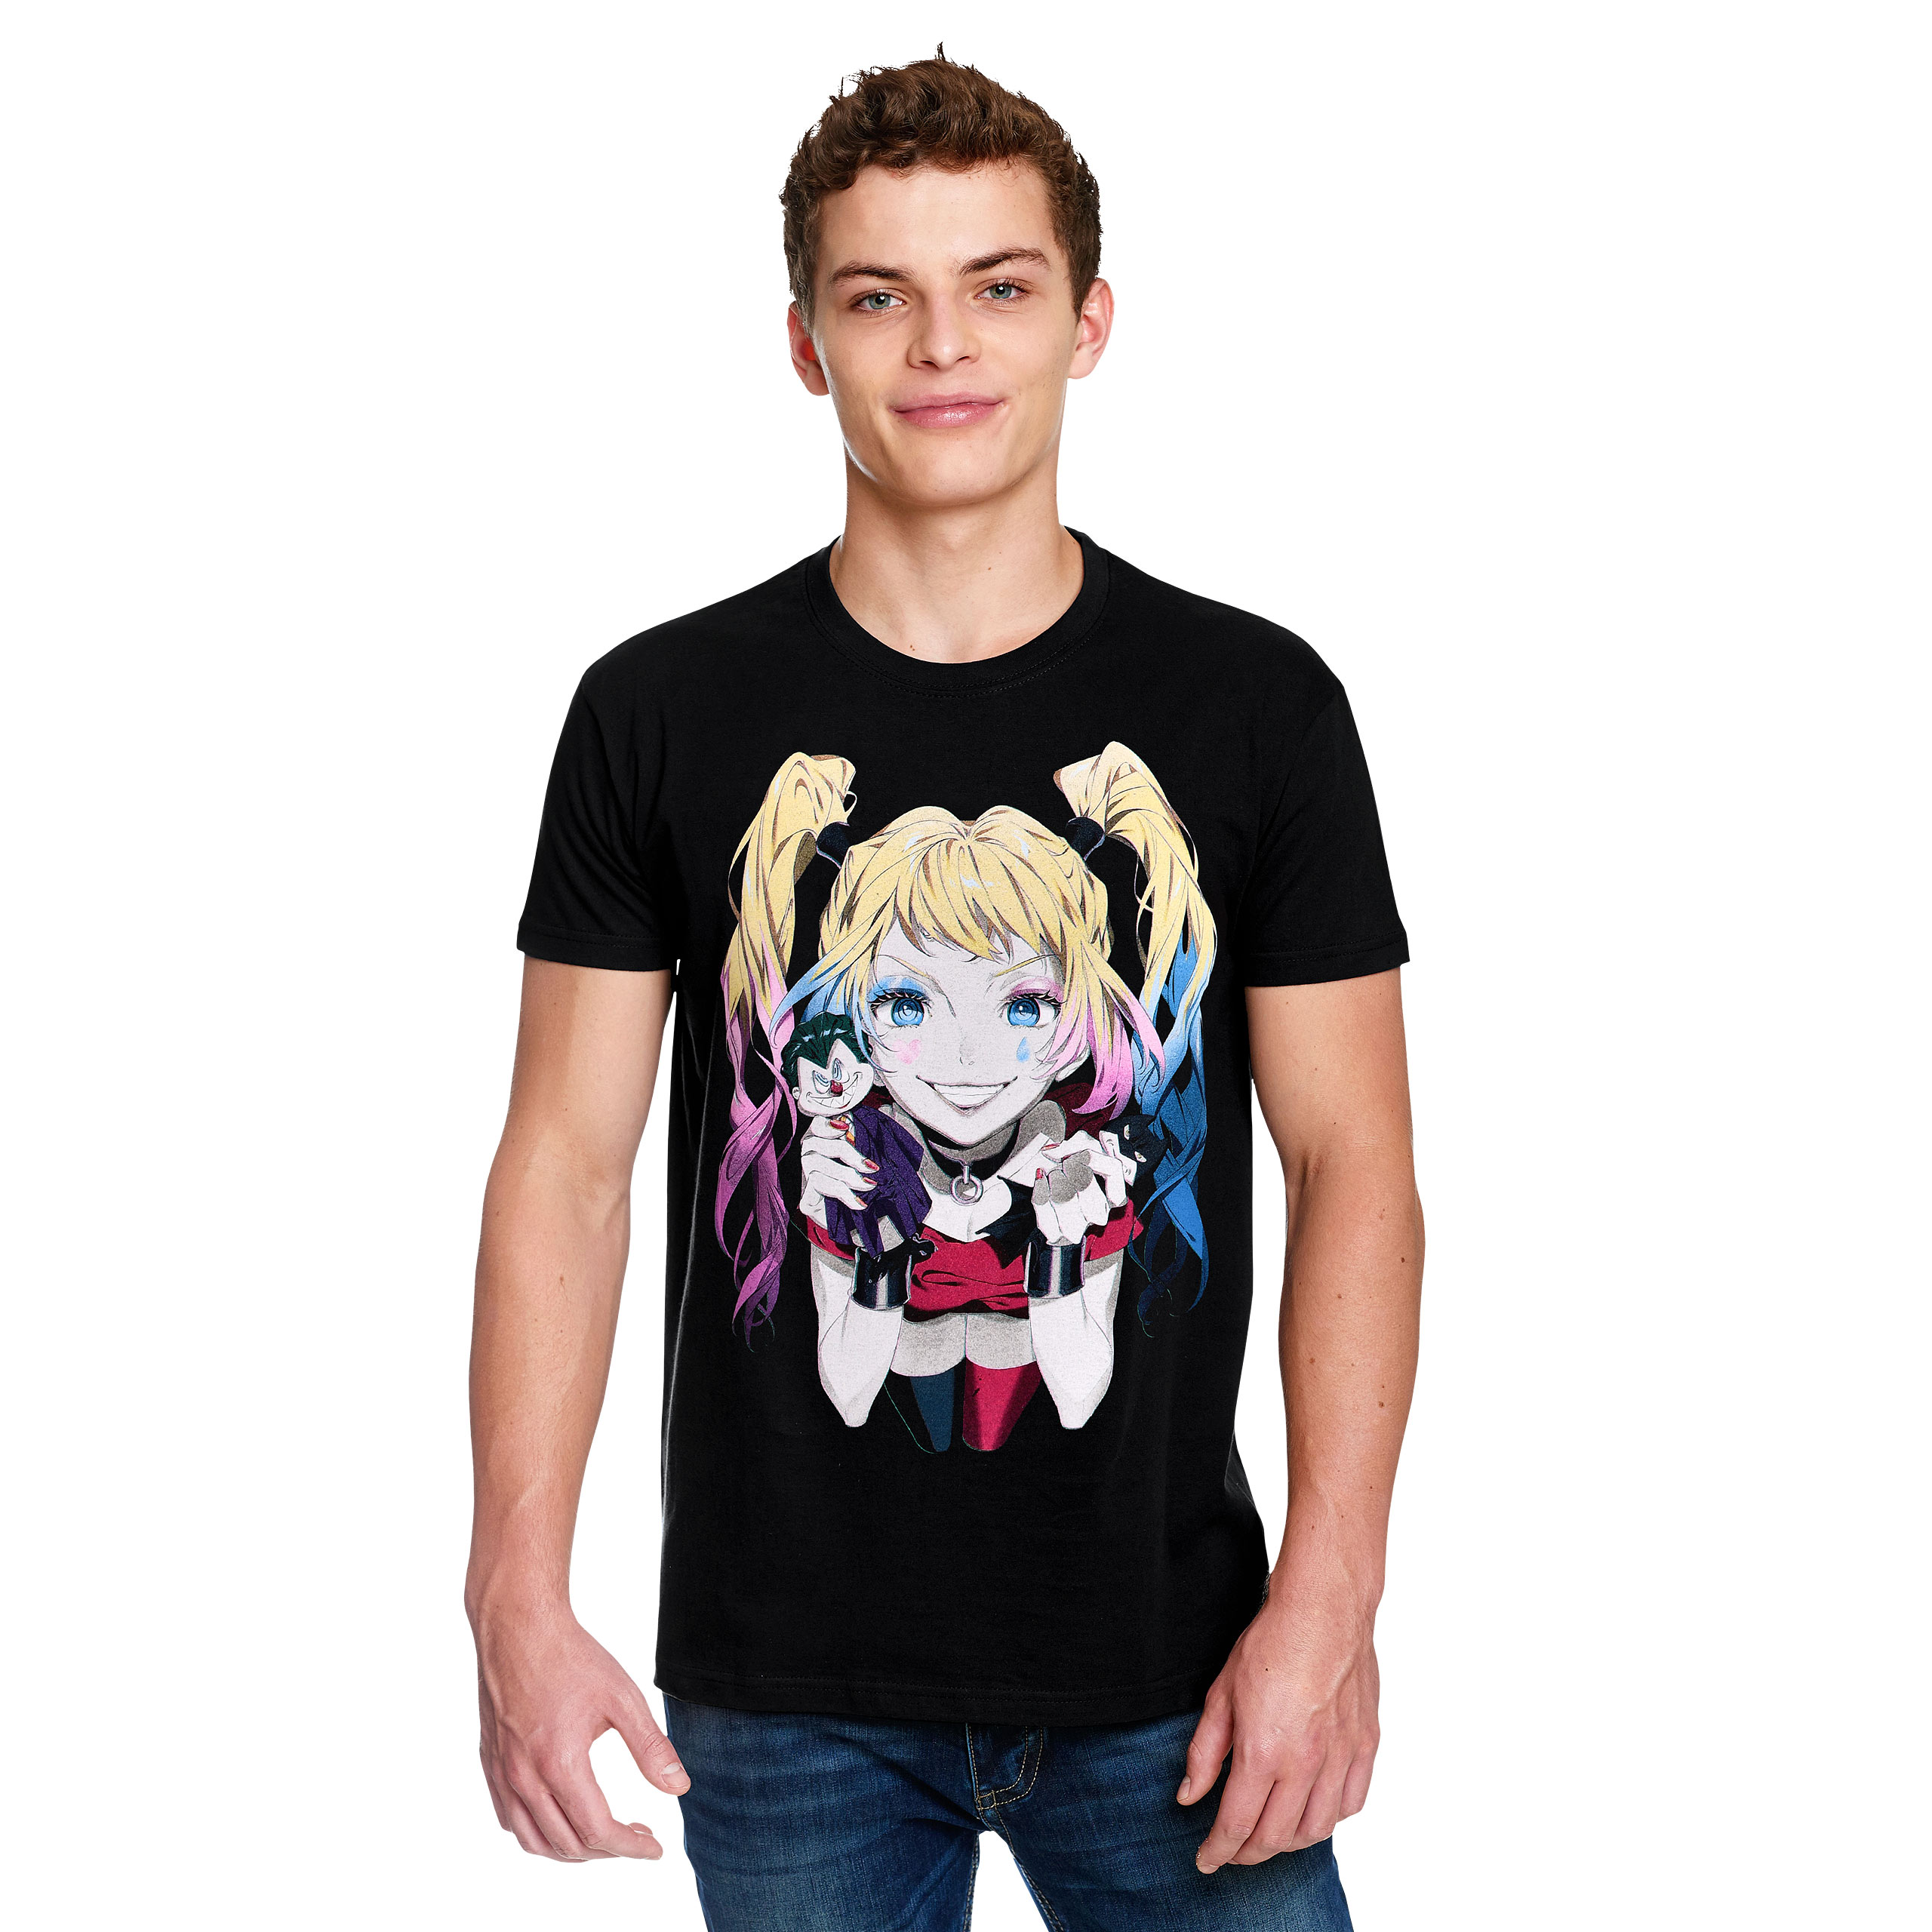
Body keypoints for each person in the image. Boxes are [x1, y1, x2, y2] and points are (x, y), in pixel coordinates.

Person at [467, 49, 1423, 1932]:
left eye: (997, 284)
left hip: (1177, 1668)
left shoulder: (1258, 706)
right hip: (782, 1687)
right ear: (804, 344)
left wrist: (1331, 1596)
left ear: (1087, 320)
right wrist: (510, 1586)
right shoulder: (658, 710)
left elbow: (1355, 1165)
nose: (940, 345)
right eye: (875, 295)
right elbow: (563, 1165)